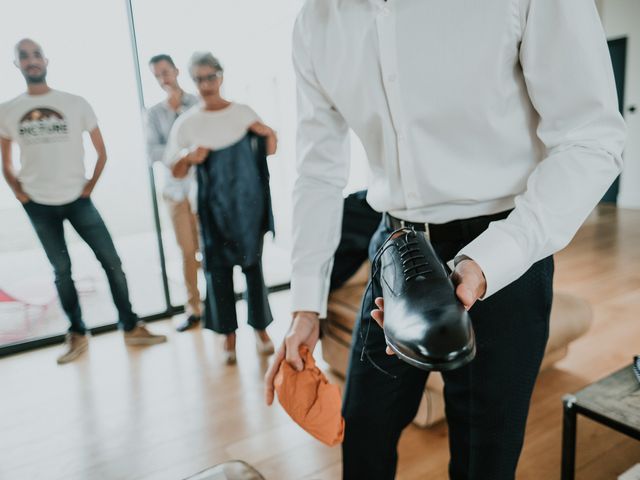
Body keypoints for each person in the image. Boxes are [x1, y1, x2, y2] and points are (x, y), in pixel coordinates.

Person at [265, 1, 626, 479]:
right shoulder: (316, 21)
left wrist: (490, 258)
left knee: (485, 458)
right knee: (365, 429)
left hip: (503, 250)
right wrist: (305, 307)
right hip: (394, 248)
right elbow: (317, 171)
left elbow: (591, 140)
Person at [0, 39, 167, 365]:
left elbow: (102, 150)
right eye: (24, 56)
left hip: (78, 199)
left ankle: (131, 327)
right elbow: (5, 161)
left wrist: (89, 185)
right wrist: (20, 194)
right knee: (61, 271)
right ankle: (77, 333)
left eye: (36, 54)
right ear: (16, 64)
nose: (32, 61)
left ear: (46, 59)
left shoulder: (75, 103)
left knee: (112, 262)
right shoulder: (7, 110)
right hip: (39, 204)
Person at [165, 52, 278, 365]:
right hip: (211, 211)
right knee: (218, 273)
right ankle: (229, 335)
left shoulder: (243, 113)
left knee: (254, 270)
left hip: (248, 207)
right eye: (199, 79)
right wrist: (188, 156)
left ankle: (261, 330)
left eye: (210, 77)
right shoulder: (187, 125)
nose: (206, 85)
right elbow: (173, 169)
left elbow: (270, 148)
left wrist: (268, 132)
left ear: (221, 76)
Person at [146, 54, 202, 332]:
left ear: (177, 71)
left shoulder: (198, 103)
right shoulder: (155, 113)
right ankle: (194, 309)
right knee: (187, 252)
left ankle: (217, 303)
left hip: (202, 188)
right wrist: (181, 153)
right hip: (175, 192)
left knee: (209, 249)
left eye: (166, 72)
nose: (163, 79)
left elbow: (207, 138)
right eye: (157, 75)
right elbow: (152, 152)